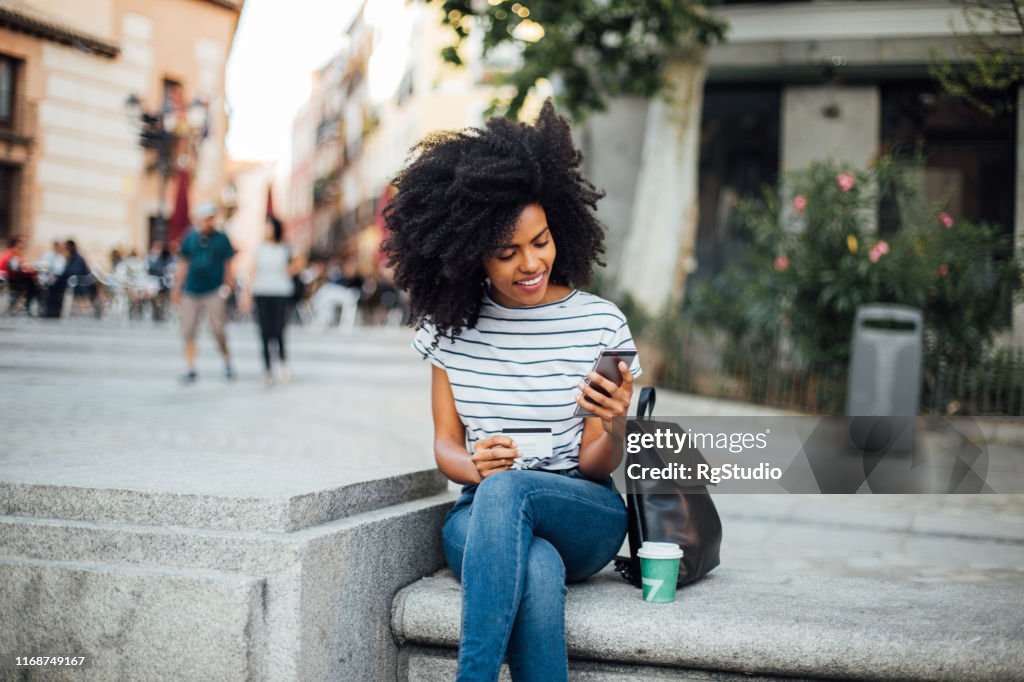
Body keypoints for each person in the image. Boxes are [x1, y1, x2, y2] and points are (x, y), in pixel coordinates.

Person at [382, 100, 640, 682]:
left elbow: (598, 465)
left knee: (513, 496)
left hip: (583, 509)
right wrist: (473, 465)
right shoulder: (449, 331)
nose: (531, 263)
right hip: (480, 515)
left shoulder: (599, 324)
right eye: (507, 252)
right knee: (535, 563)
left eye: (541, 241)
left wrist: (617, 422)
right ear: (472, 254)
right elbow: (446, 446)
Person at [172, 202, 236, 383]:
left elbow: (228, 264)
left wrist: (228, 285)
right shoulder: (190, 237)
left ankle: (227, 362)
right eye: (206, 218)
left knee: (218, 329)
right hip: (191, 290)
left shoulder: (222, 238)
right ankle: (190, 367)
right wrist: (177, 288)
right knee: (188, 328)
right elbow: (183, 263)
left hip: (214, 290)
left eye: (211, 218)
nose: (208, 221)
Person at [242, 216, 304, 384]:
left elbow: (300, 263)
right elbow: (253, 271)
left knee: (278, 330)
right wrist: (247, 294)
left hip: (281, 292)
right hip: (262, 292)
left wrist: (290, 270)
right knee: (264, 331)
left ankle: (283, 364)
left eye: (269, 227)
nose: (266, 230)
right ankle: (267, 369)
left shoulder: (285, 248)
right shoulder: (259, 249)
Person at [1, 235, 41, 315]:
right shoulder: (12, 254)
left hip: (16, 278)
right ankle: (27, 306)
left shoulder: (16, 253)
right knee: (35, 286)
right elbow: (16, 267)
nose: (25, 244)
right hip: (13, 280)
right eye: (22, 242)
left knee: (35, 284)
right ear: (16, 243)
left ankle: (26, 305)